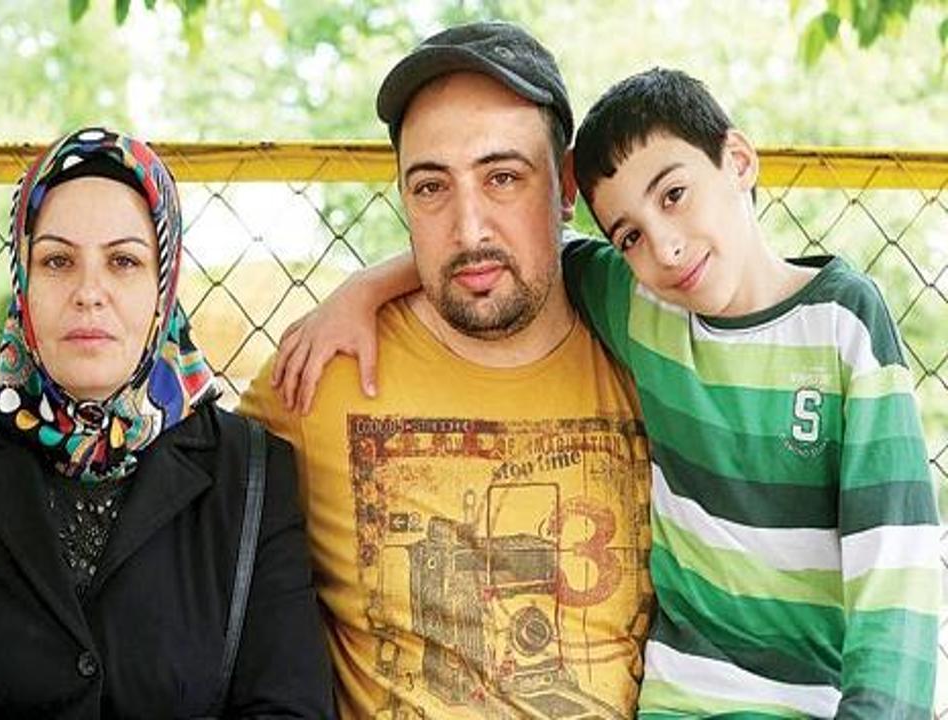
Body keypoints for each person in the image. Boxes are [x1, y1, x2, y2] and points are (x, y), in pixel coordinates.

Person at [279, 66, 941, 717]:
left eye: (674, 195)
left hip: (817, 696)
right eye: (629, 236)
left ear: (738, 161)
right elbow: (501, 254)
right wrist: (362, 290)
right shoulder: (645, 308)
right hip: (684, 700)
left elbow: (897, 565)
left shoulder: (841, 322)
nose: (666, 248)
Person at [239, 22, 653, 719]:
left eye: (503, 178)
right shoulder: (325, 371)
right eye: (431, 187)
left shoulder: (648, 356)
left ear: (565, 186)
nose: (469, 229)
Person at [0, 127, 335, 718]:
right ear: (23, 281)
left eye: (123, 261)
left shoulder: (250, 477)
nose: (89, 293)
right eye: (58, 261)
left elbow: (291, 709)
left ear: (164, 284)